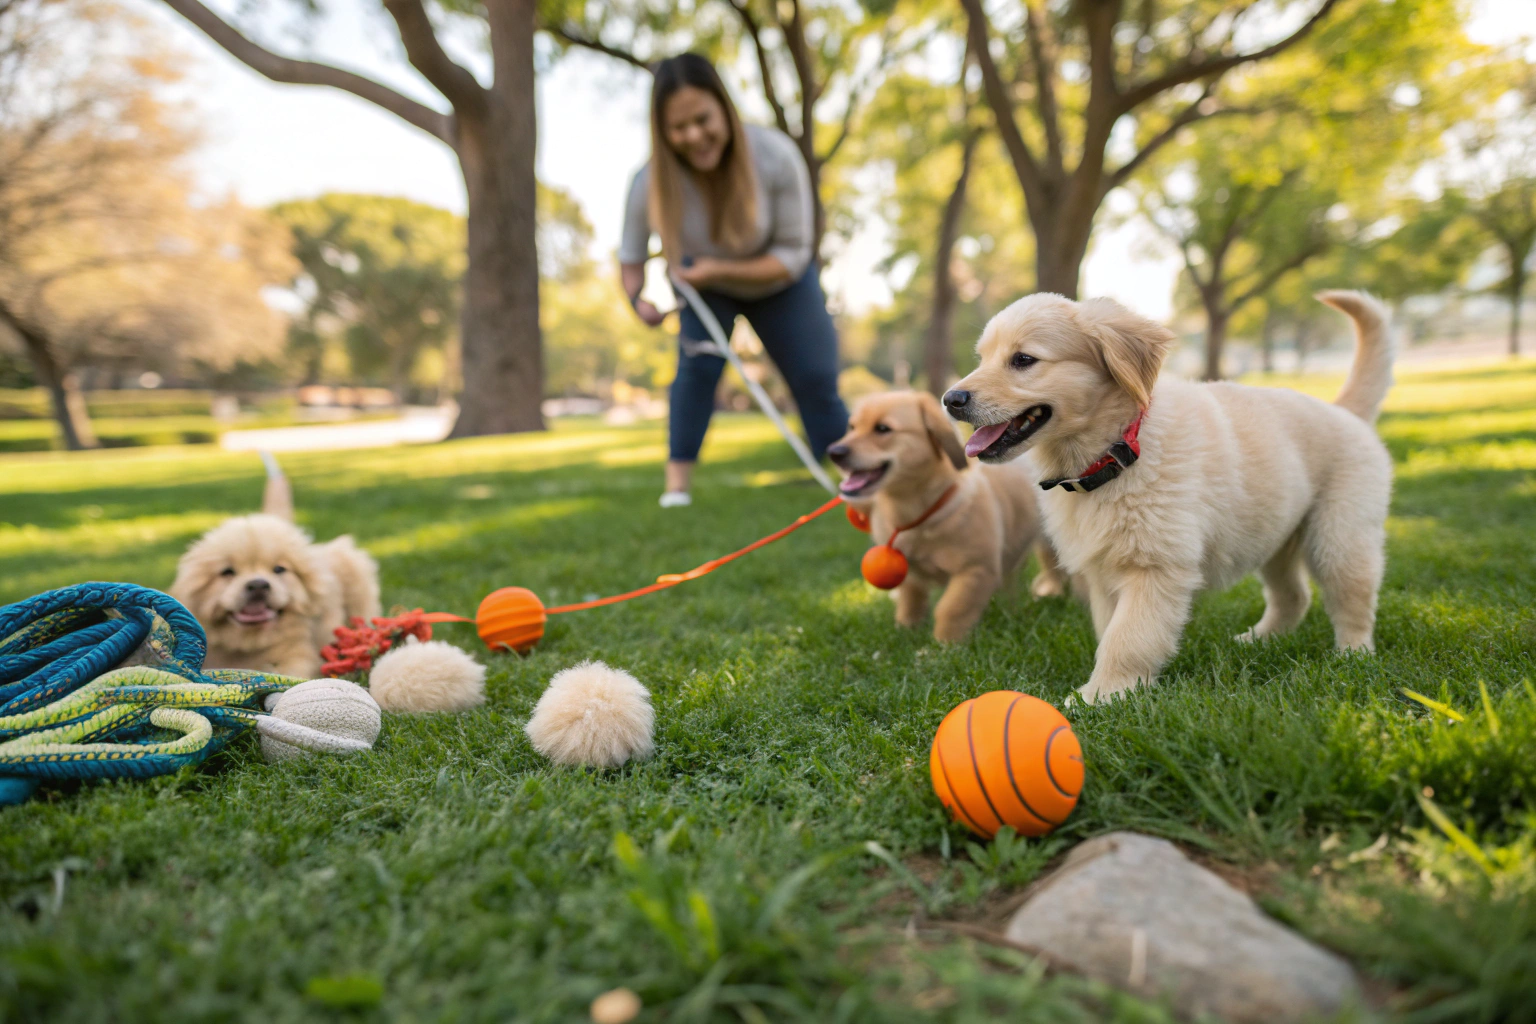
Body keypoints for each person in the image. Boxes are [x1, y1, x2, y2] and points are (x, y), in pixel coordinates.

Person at [619, 53, 849, 508]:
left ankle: (854, 478)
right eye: (678, 127)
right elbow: (630, 257)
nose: (693, 136)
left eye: (702, 120)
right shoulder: (648, 182)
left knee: (816, 377)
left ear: (724, 108)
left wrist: (715, 268)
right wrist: (637, 298)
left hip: (782, 282)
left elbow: (793, 254)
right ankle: (676, 491)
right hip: (705, 291)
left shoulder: (776, 155)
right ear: (661, 130)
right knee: (695, 373)